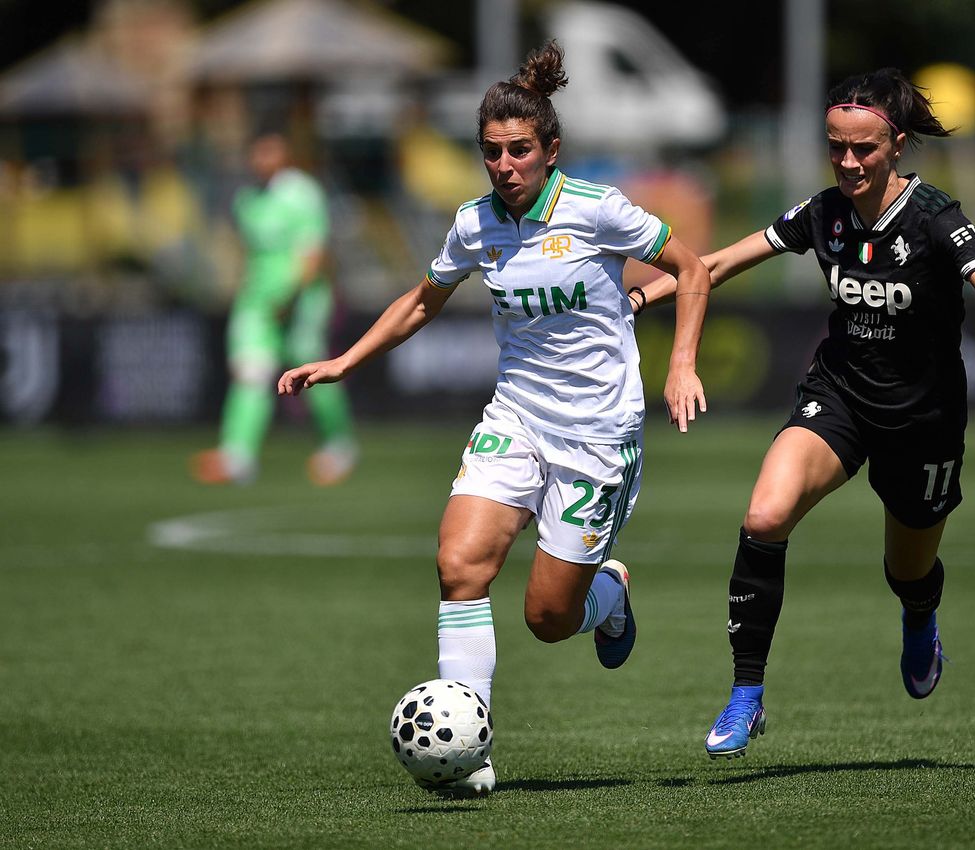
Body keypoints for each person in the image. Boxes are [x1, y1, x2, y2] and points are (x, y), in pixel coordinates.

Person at [278, 42, 711, 794]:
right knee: (458, 566)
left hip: (597, 436)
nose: (504, 165)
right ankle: (466, 746)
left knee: (547, 617)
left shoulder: (597, 209)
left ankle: (608, 594)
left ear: (549, 151)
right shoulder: (474, 225)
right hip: (516, 418)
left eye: (518, 151)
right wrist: (345, 360)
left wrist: (679, 366)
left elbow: (692, 270)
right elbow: (422, 299)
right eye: (491, 153)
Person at [631, 67, 975, 759]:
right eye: (836, 148)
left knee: (907, 570)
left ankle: (919, 617)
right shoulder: (821, 212)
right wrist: (643, 298)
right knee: (763, 516)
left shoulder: (937, 218)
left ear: (897, 145)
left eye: (864, 150)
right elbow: (723, 261)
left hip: (923, 418)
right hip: (840, 396)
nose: (848, 163)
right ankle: (746, 693)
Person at [191, 132, 357, 486]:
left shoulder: (303, 194)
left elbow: (313, 254)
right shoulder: (246, 199)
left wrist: (290, 298)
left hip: (301, 300)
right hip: (259, 300)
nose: (263, 159)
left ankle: (338, 446)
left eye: (270, 150)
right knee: (250, 372)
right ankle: (238, 457)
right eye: (257, 152)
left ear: (284, 153)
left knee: (313, 373)